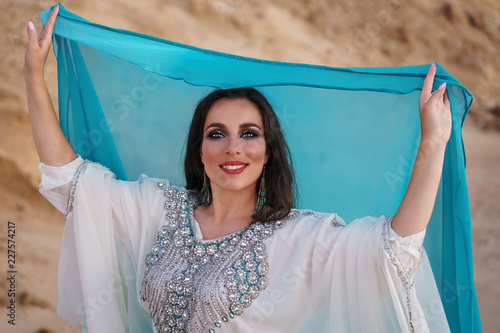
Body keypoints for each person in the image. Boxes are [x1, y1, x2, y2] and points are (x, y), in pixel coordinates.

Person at [25, 5, 452, 333]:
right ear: (200, 150)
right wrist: (33, 74)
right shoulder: (159, 208)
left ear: (268, 153)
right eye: (216, 134)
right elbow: (71, 180)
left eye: (249, 134)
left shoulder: (298, 236)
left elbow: (393, 251)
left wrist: (432, 142)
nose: (234, 147)